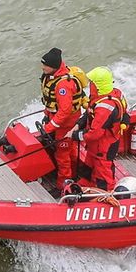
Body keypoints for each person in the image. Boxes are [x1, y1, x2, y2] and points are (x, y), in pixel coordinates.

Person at [38, 47, 89, 196]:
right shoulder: (51, 77)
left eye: (45, 65)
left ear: (53, 66)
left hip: (66, 125)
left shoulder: (63, 85)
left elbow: (65, 111)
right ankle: (73, 174)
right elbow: (52, 103)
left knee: (62, 155)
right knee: (70, 151)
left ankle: (63, 185)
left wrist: (49, 127)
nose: (43, 67)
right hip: (58, 121)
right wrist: (47, 116)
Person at [79, 66, 127, 192]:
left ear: (97, 85)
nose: (90, 85)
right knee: (89, 164)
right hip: (97, 145)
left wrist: (76, 135)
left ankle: (106, 194)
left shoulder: (104, 107)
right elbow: (125, 111)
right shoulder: (114, 94)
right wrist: (80, 123)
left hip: (103, 146)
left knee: (103, 172)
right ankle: (86, 184)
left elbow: (94, 133)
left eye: (91, 83)